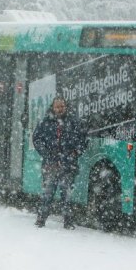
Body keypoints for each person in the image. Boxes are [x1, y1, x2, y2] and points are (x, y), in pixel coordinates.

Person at [32, 96, 87, 229]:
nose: (60, 109)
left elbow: (84, 140)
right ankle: (41, 219)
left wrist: (75, 153)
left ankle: (67, 222)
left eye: (62, 106)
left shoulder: (74, 122)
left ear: (65, 107)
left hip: (68, 166)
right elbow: (36, 139)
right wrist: (45, 153)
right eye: (57, 106)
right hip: (50, 165)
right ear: (53, 107)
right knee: (47, 194)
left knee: (66, 196)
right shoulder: (45, 122)